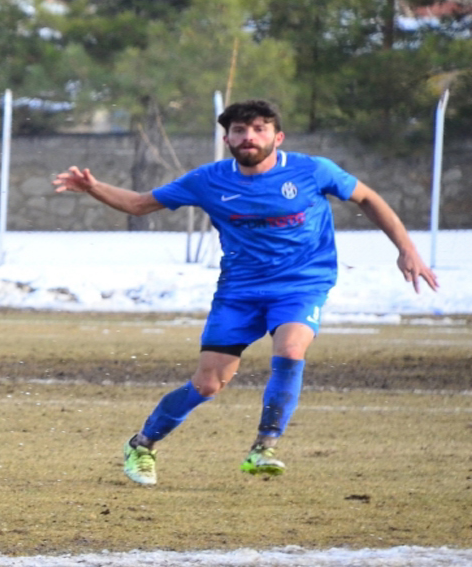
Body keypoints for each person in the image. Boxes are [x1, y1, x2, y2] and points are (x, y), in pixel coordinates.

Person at [53, 98, 440, 485]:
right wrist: (93, 187)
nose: (249, 136)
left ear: (278, 136)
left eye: (259, 128)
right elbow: (139, 204)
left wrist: (407, 249)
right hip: (239, 292)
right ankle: (142, 444)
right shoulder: (208, 180)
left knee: (290, 348)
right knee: (208, 384)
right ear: (227, 139)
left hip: (302, 284)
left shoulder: (312, 170)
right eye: (239, 130)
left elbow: (368, 198)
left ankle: (263, 447)